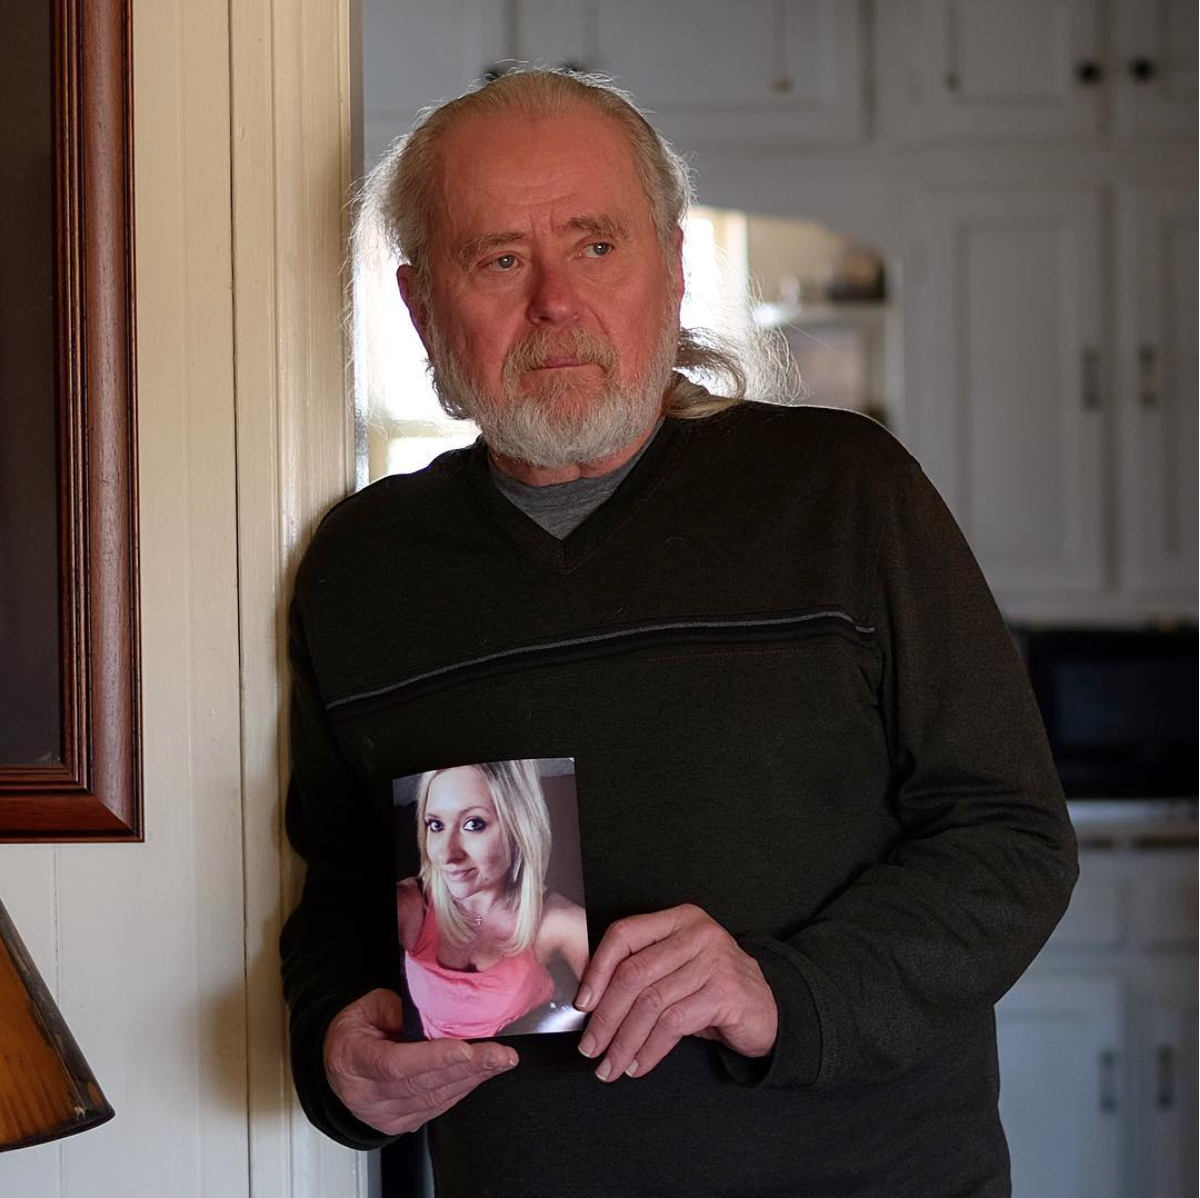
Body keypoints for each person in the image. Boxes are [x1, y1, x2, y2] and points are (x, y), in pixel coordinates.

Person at [280, 67, 1078, 1197]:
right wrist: (336, 1048)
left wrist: (780, 990)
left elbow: (1013, 840)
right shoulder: (362, 571)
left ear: (673, 264)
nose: (554, 301)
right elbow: (343, 892)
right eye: (499, 258)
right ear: (421, 307)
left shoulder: (843, 492)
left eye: (596, 245)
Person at [398, 760, 588, 1039]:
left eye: (473, 824)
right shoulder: (412, 903)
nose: (447, 855)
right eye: (435, 825)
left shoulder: (557, 921)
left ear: (518, 826)